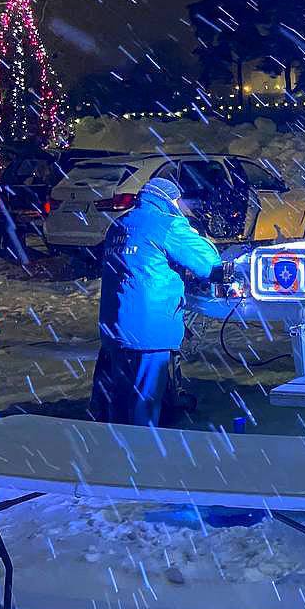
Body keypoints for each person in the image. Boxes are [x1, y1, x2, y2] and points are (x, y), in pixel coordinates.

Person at [90, 178, 219, 427]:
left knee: (118, 403)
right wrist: (188, 228)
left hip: (116, 327)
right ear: (170, 200)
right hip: (150, 331)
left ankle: (115, 446)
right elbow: (208, 263)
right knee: (145, 403)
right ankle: (143, 447)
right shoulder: (167, 224)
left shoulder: (119, 224)